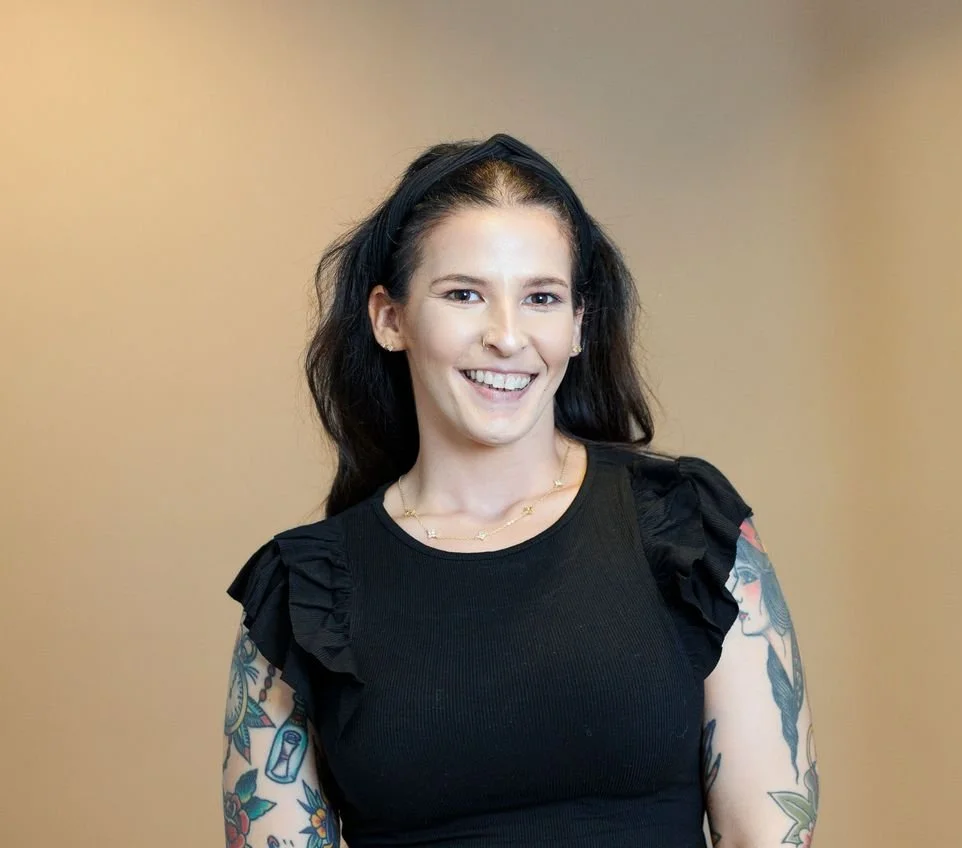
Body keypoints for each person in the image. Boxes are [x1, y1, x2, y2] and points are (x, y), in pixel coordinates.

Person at [221, 133, 819, 848]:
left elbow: (770, 835)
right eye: (465, 294)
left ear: (576, 325)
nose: (508, 337)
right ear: (390, 318)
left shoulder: (689, 529)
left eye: (540, 297)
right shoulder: (302, 595)